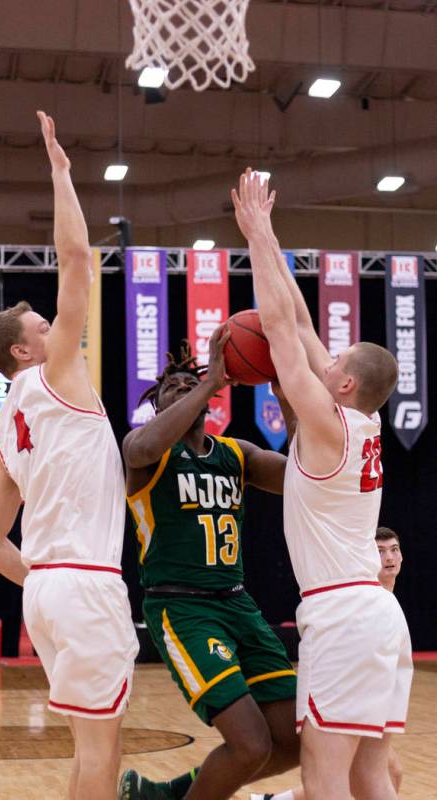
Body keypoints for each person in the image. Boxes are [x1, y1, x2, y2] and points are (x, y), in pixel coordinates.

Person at [232, 170, 412, 800]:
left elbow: (282, 333)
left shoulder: (330, 428)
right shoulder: (365, 419)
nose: (325, 358)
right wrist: (273, 237)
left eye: (334, 363)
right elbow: (302, 325)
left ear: (342, 385)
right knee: (368, 772)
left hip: (342, 615)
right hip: (377, 615)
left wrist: (253, 234)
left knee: (324, 774)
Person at [0, 110, 138, 800]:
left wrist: (43, 578)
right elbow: (77, 260)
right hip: (83, 582)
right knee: (103, 751)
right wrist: (62, 172)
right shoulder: (56, 375)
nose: (55, 324)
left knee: (92, 747)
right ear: (24, 349)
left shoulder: (7, 423)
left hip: (47, 589)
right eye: (44, 325)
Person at [119, 339, 302, 800]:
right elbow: (140, 446)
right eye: (172, 388)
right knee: (250, 745)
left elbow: (306, 476)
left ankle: (171, 795)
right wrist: (208, 385)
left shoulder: (235, 453)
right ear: (157, 406)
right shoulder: (146, 454)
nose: (183, 389)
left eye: (191, 384)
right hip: (182, 609)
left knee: (294, 743)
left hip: (239, 605)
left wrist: (285, 396)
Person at [250, 526, 405, 800]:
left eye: (394, 549)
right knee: (354, 774)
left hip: (374, 695)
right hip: (345, 692)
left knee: (382, 773)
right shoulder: (359, 600)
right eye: (380, 551)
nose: (389, 557)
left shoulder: (389, 605)